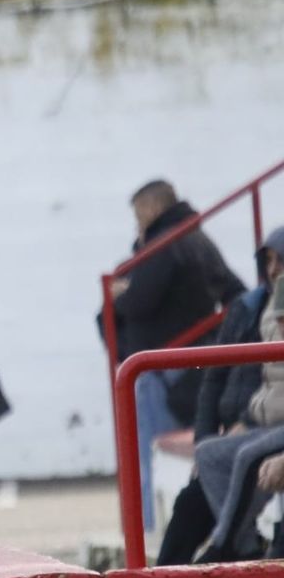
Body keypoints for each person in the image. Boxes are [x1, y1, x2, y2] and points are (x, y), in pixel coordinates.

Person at [106, 180, 245, 531]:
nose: (136, 223)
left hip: (163, 370)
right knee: (178, 457)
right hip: (193, 366)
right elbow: (236, 292)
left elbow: (138, 302)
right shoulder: (198, 240)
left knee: (150, 460)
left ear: (153, 208)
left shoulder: (165, 245)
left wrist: (121, 293)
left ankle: (149, 534)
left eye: (138, 214)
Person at [155, 228, 281, 565]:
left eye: (279, 260)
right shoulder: (248, 307)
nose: (273, 270)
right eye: (268, 260)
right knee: (195, 493)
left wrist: (247, 422)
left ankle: (230, 546)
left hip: (262, 430)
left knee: (246, 462)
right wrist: (204, 437)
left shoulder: (274, 310)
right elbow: (213, 378)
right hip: (247, 427)